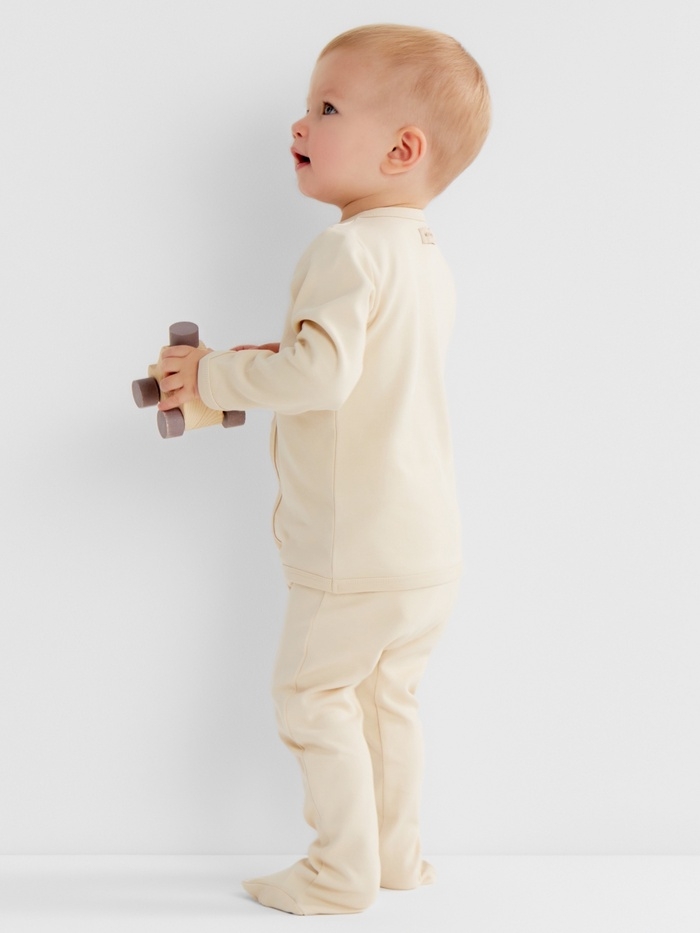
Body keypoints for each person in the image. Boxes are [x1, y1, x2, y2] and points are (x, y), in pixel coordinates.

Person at [158, 23, 491, 915]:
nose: (299, 123)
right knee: (388, 700)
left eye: (328, 108)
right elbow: (356, 371)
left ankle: (338, 870)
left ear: (402, 150)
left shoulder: (345, 250)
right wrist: (272, 358)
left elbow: (321, 377)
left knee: (311, 696)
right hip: (426, 544)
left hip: (354, 545)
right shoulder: (423, 255)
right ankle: (395, 857)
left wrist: (213, 376)